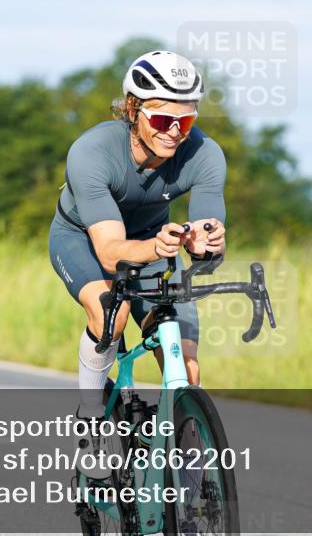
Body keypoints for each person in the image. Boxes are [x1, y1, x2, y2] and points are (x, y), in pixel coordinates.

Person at [48, 50, 227, 477]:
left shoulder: (205, 154)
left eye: (185, 122)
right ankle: (92, 418)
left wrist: (206, 245)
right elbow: (110, 252)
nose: (174, 133)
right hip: (84, 240)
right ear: (132, 108)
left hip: (152, 243)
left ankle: (188, 488)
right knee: (112, 311)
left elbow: (205, 236)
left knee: (186, 366)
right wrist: (163, 247)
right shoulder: (91, 152)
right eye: (163, 120)